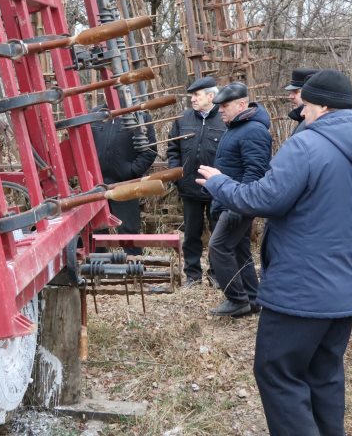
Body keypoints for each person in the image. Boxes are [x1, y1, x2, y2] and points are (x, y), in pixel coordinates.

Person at [197, 69, 352, 436]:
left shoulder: (306, 146)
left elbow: (264, 198)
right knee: (325, 374)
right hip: (345, 292)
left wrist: (220, 183)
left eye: (304, 105)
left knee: (278, 373)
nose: (300, 112)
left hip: (299, 293)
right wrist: (349, 272)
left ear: (320, 105)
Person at [206, 82, 271, 316]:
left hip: (239, 202)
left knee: (219, 246)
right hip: (231, 200)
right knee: (240, 249)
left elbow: (255, 172)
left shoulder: (253, 130)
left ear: (242, 104)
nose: (220, 110)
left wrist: (240, 204)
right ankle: (253, 299)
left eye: (225, 105)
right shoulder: (235, 128)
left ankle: (236, 298)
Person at [166, 76, 226, 286]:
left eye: (197, 95)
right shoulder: (183, 119)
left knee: (218, 232)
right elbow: (173, 149)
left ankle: (216, 274)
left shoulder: (224, 119)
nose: (192, 99)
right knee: (191, 233)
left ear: (211, 96)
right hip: (189, 186)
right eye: (191, 95)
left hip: (216, 188)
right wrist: (178, 175)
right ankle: (192, 274)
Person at [91, 107, 158, 255]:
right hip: (95, 185)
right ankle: (97, 268)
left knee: (129, 229)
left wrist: (131, 171)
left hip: (124, 184)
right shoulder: (95, 115)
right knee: (95, 230)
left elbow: (150, 151)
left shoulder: (139, 116)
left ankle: (134, 267)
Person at [284, 67, 319, 135]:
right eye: (291, 92)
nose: (290, 97)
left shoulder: (313, 124)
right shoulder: (305, 120)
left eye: (296, 92)